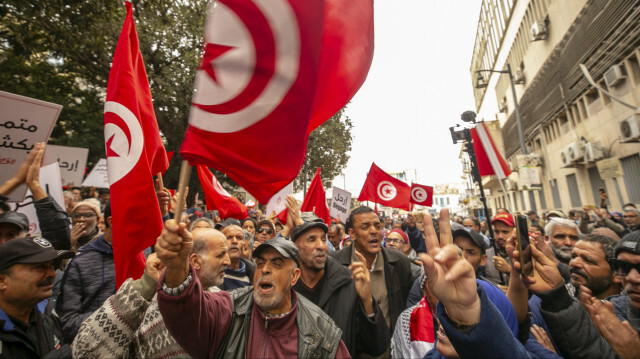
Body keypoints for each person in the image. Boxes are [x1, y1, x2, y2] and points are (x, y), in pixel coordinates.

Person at [155, 221, 350, 358]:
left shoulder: (321, 333)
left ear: (294, 276)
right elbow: (188, 311)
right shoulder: (229, 308)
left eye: (277, 263)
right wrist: (177, 267)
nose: (265, 270)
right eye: (260, 263)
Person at [72, 229, 231, 358]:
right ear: (195, 261)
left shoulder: (222, 301)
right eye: (220, 255)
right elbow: (86, 352)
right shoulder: (146, 303)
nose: (228, 262)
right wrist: (145, 285)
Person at [289, 211, 389, 357]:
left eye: (323, 239)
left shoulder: (349, 282)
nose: (321, 246)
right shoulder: (286, 287)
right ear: (295, 247)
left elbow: (377, 346)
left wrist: (367, 301)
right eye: (311, 240)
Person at [330, 206, 419, 334]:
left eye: (378, 226)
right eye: (365, 227)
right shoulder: (334, 263)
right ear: (352, 233)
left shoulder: (400, 262)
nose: (374, 231)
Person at [0, 236, 74, 357]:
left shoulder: (48, 312)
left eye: (51, 266)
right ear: (2, 280)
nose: (52, 274)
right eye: (39, 267)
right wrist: (68, 353)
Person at [56, 202, 115, 340]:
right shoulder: (80, 262)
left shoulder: (147, 255)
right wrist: (114, 316)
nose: (81, 220)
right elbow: (68, 322)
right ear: (111, 221)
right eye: (76, 216)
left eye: (87, 215)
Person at [220, 225, 255, 290]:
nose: (234, 241)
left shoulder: (254, 273)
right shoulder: (212, 273)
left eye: (239, 238)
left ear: (244, 246)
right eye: (229, 237)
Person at [484, 212, 514, 286]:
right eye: (497, 232)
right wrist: (495, 290)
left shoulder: (525, 255)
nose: (500, 236)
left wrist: (509, 270)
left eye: (505, 232)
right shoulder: (486, 254)